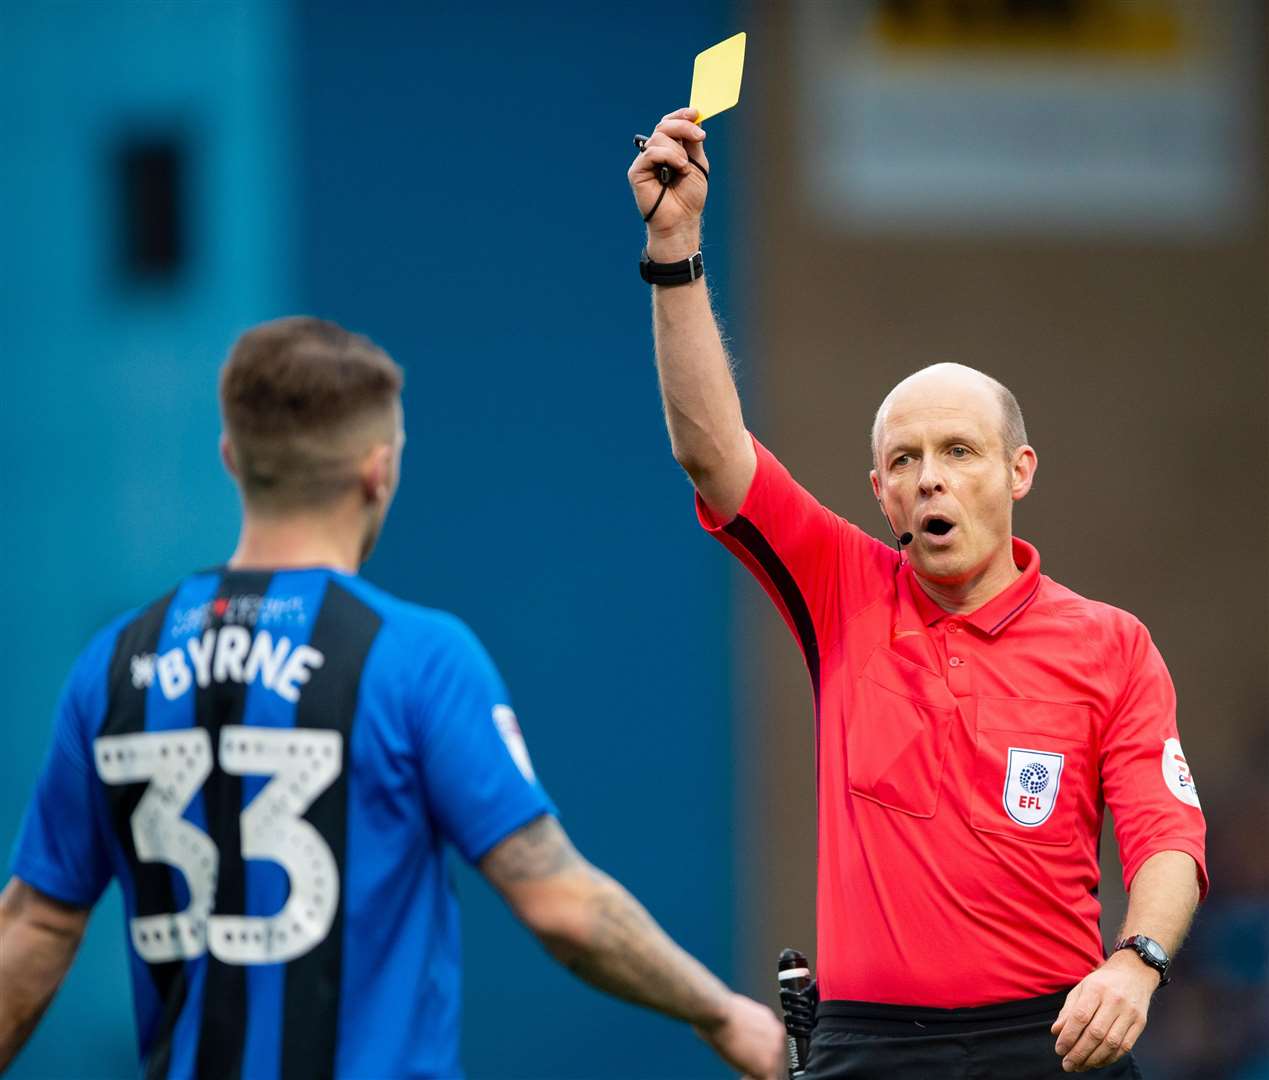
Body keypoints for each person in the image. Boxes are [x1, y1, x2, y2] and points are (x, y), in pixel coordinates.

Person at [0, 317, 786, 1080]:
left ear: (232, 457)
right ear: (378, 469)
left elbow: (36, 923)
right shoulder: (415, 659)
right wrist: (719, 1011)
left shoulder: (114, 663)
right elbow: (563, 907)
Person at [628, 109, 1208, 1078]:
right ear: (880, 491)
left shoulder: (1112, 643)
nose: (930, 477)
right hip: (869, 1049)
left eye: (959, 452)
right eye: (905, 459)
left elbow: (1166, 834)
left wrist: (1137, 964)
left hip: (1053, 1040)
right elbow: (710, 451)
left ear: (1019, 470)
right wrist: (674, 245)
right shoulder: (843, 589)